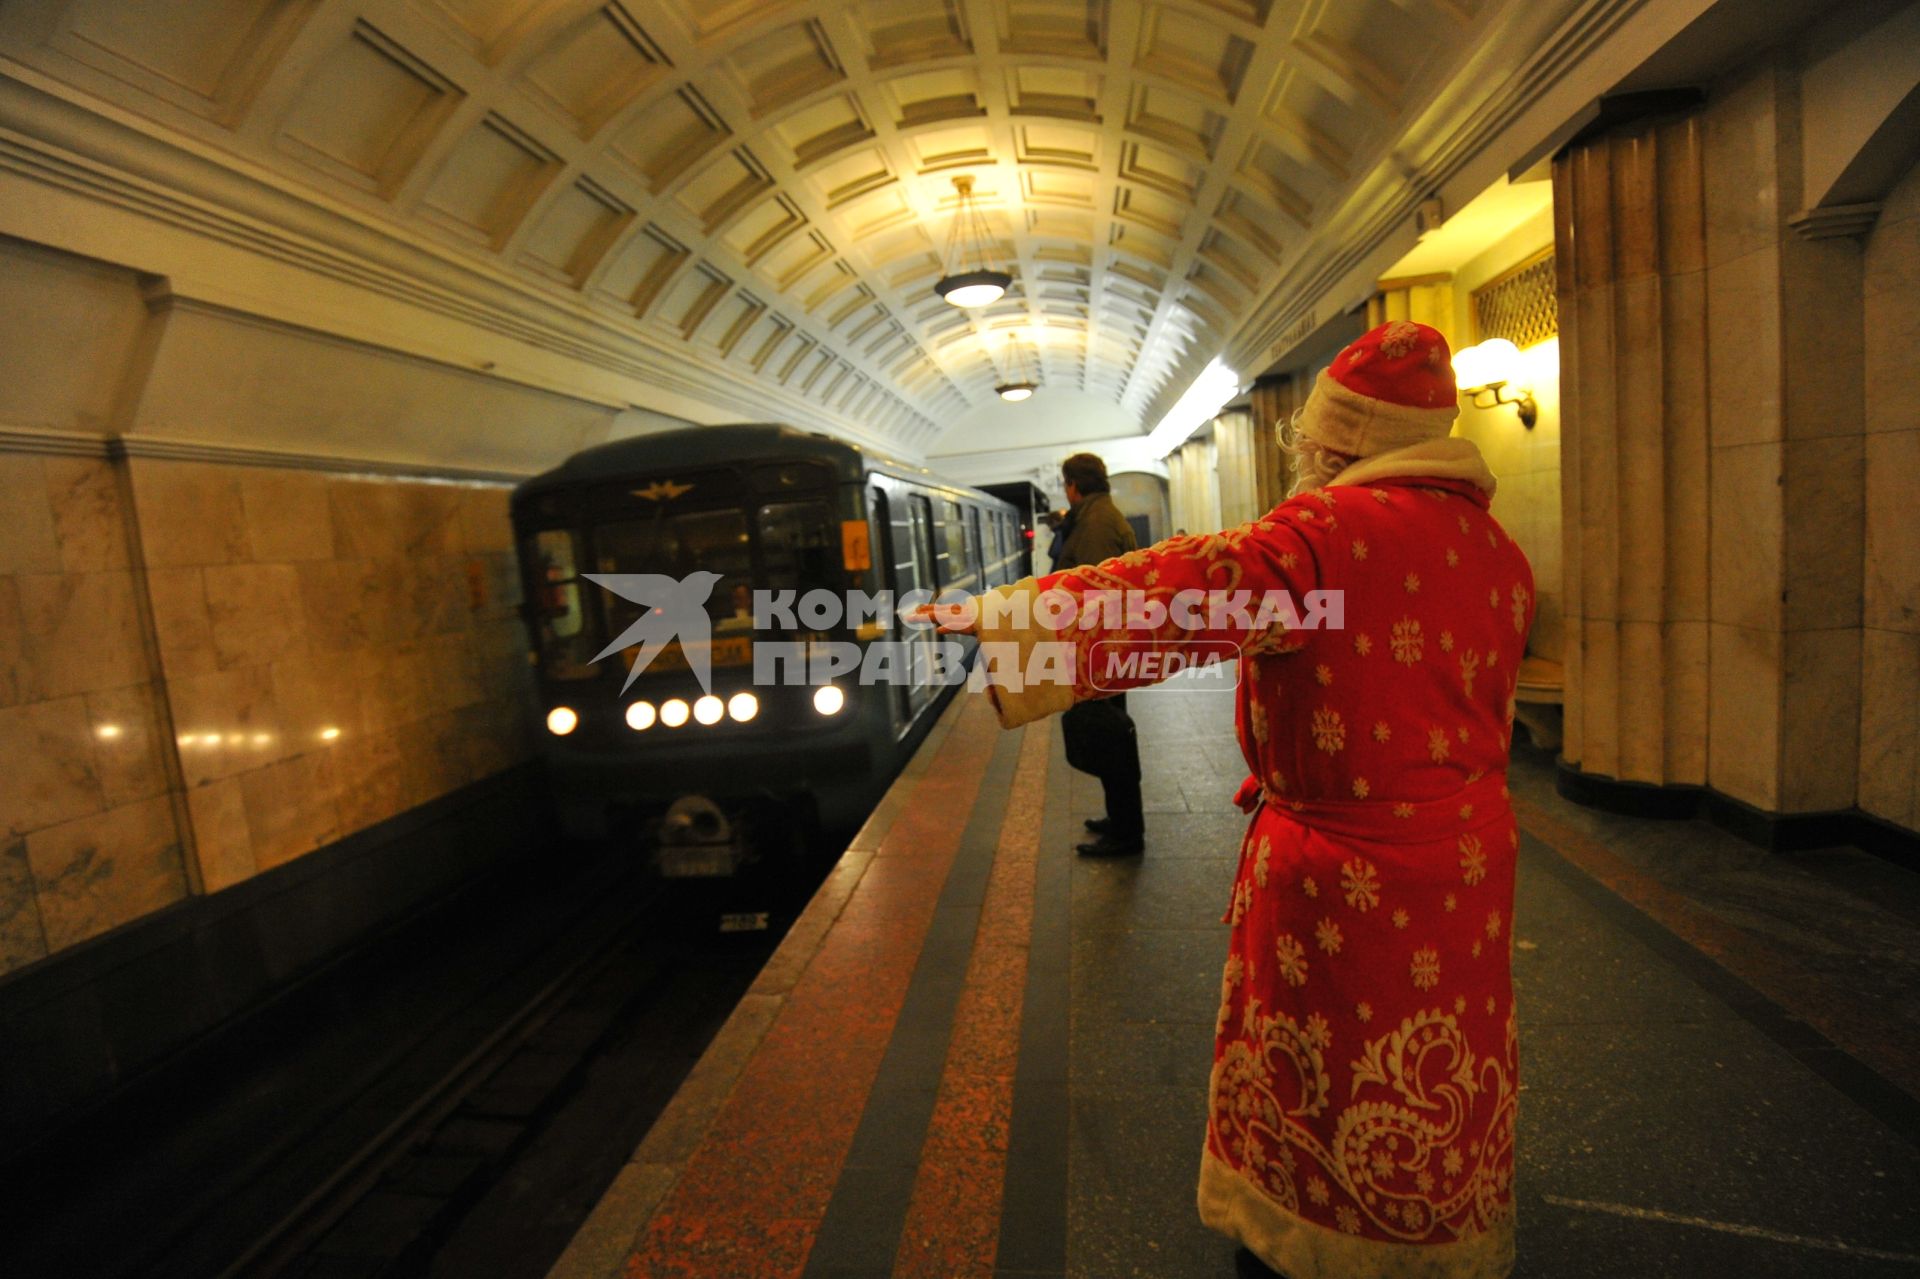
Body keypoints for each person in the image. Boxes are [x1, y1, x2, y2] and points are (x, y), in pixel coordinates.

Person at [937, 321, 1533, 1277]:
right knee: (1448, 1058)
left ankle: (1319, 1236)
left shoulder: (1324, 536)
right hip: (1468, 861)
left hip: (1343, 875)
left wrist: (1012, 622)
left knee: (1332, 1066)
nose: (1306, 456)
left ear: (1339, 442)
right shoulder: (1496, 546)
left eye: (1314, 443)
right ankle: (1442, 1229)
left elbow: (1190, 587)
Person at [1053, 452, 1146, 857]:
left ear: (1074, 485)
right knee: (1110, 735)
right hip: (1106, 646)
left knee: (1110, 736)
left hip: (1101, 649)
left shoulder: (1095, 524)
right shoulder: (1099, 516)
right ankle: (1120, 820)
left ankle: (1127, 833)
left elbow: (1092, 591)